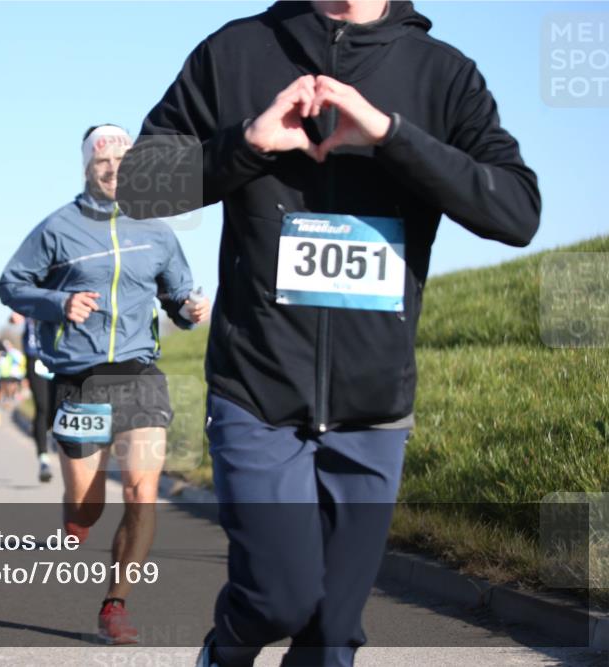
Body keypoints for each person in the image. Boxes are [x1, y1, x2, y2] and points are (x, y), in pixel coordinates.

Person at [115, 1, 540, 665]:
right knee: (278, 597)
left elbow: (517, 211)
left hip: (374, 407)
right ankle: (225, 648)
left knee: (330, 636)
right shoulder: (236, 52)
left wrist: (392, 135)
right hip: (257, 389)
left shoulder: (443, 74)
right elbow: (138, 184)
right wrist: (246, 143)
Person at [0, 123, 211, 645]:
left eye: (122, 162)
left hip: (139, 374)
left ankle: (115, 603)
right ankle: (77, 518)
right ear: (88, 169)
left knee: (142, 493)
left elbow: (178, 293)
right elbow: (10, 284)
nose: (113, 171)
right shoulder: (57, 229)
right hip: (80, 378)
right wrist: (58, 303)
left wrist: (189, 308)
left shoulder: (158, 230)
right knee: (87, 504)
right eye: (102, 164)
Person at [23, 316, 55, 483]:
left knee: (55, 408)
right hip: (36, 358)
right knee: (42, 407)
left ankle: (39, 429)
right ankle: (43, 458)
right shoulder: (32, 299)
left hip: (60, 357)